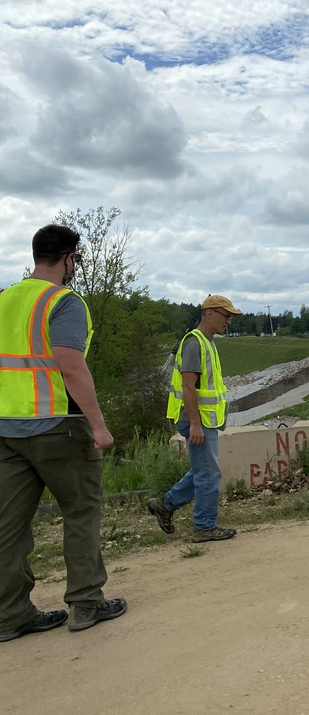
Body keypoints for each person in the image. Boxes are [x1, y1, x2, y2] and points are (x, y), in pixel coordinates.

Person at [0, 224, 127, 642]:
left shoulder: (5, 299)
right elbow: (71, 365)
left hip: (5, 429)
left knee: (9, 528)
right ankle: (86, 603)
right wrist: (98, 424)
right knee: (80, 510)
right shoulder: (64, 301)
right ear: (69, 258)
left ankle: (11, 615)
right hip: (58, 424)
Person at [147, 295, 241, 541]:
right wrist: (196, 424)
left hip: (204, 420)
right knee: (208, 474)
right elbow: (188, 386)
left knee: (204, 471)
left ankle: (165, 505)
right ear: (209, 313)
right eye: (226, 315)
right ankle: (204, 527)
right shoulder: (195, 343)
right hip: (196, 420)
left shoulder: (206, 342)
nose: (229, 321)